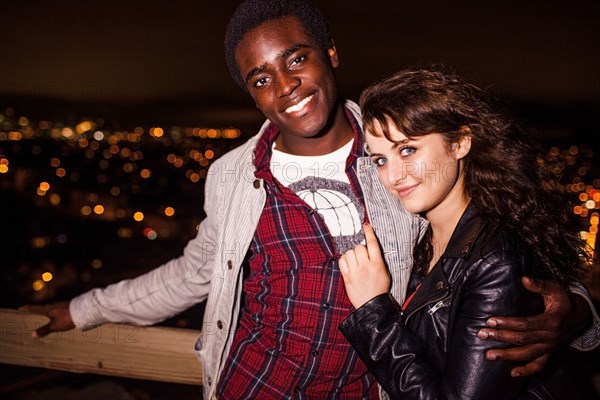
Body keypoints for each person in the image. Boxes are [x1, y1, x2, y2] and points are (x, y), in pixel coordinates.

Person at [21, 1, 599, 399]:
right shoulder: (232, 176)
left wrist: (575, 312)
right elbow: (191, 274)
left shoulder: (396, 160)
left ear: (330, 55)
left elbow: (491, 238)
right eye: (261, 78)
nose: (285, 86)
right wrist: (81, 309)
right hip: (254, 383)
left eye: (296, 59)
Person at [338, 67, 599, 399]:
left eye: (407, 150)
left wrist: (372, 311)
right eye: (380, 160)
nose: (393, 176)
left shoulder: (494, 259)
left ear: (460, 142)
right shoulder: (422, 238)